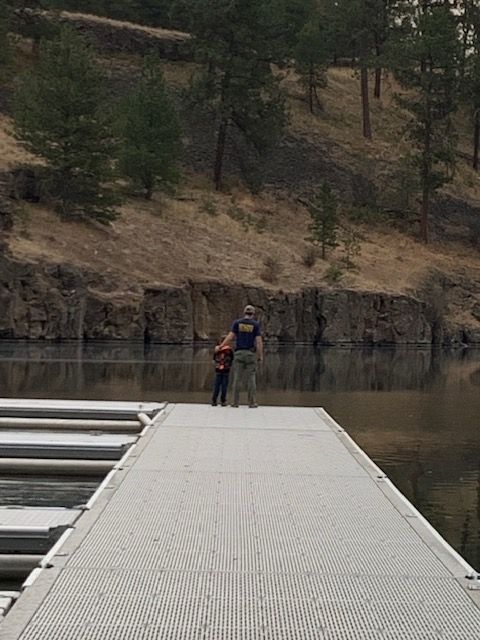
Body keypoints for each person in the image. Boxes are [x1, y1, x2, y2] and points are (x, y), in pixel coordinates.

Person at [217, 304, 263, 408]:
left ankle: (235, 402)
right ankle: (252, 402)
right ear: (253, 314)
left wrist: (221, 346)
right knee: (251, 378)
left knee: (237, 378)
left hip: (238, 353)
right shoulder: (255, 325)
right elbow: (259, 341)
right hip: (250, 353)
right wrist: (260, 355)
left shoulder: (237, 323)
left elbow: (230, 337)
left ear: (244, 313)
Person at [211, 336, 234, 407]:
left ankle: (214, 400)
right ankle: (223, 400)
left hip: (218, 370)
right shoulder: (229, 350)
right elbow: (232, 359)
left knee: (216, 385)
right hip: (226, 370)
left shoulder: (217, 350)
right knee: (224, 386)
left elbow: (214, 359)